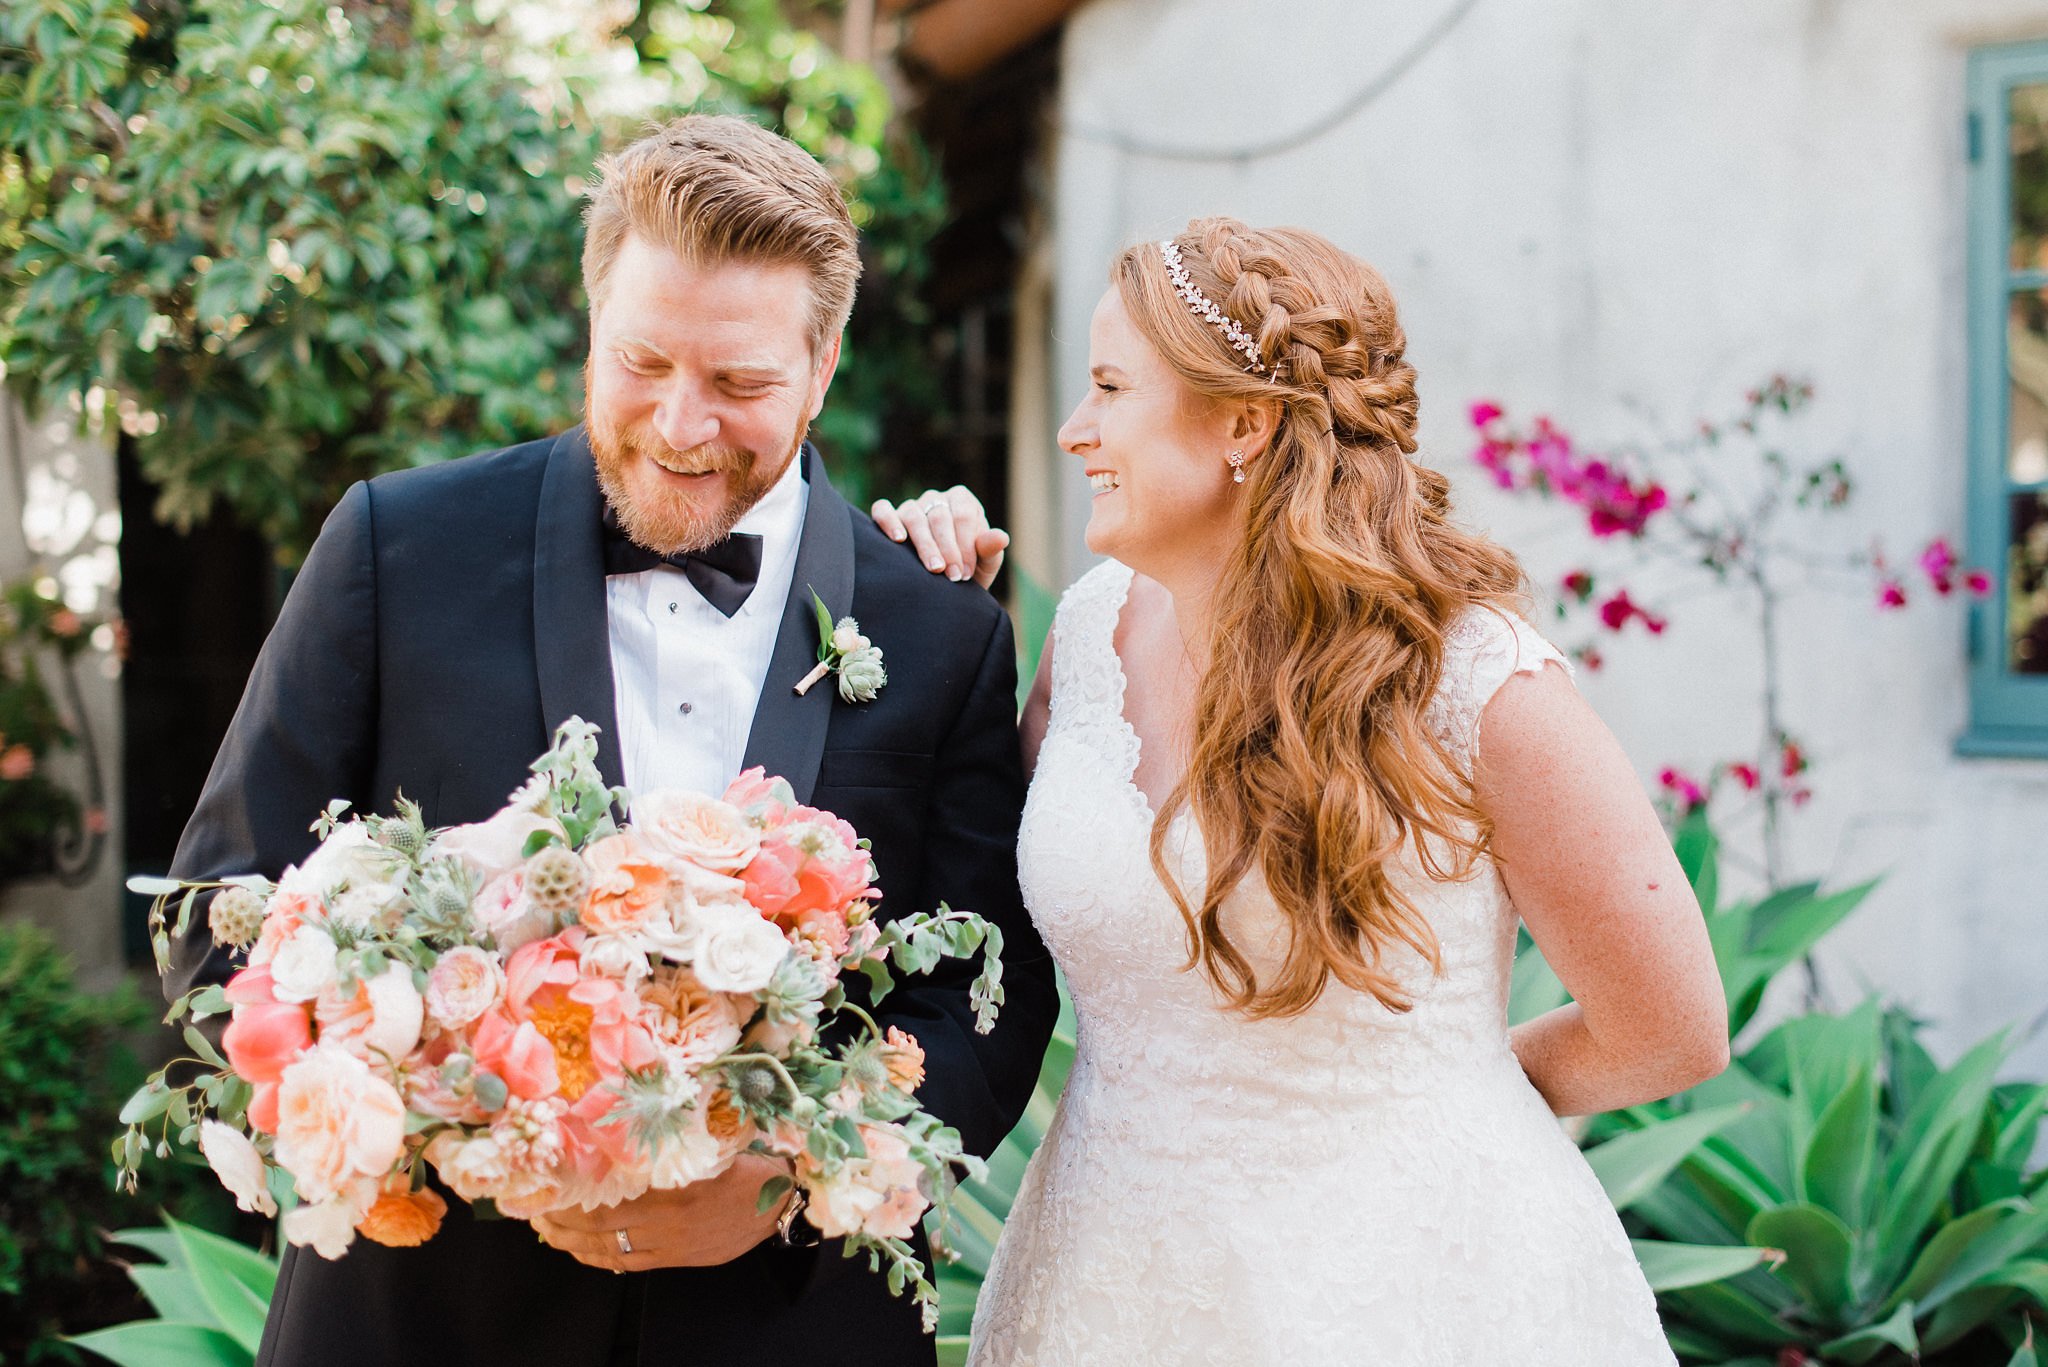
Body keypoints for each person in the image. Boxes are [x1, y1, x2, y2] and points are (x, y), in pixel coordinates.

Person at [165, 114, 1059, 1367]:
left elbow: (984, 1003)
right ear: (592, 325)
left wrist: (790, 1173)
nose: (680, 425)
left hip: (786, 1334)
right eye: (640, 362)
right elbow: (226, 911)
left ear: (823, 365)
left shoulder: (938, 624)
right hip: (424, 1325)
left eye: (740, 384)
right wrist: (459, 1128)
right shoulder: (393, 548)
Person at [872, 218, 1728, 1364]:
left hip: (1416, 1285)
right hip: (1109, 1278)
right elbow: (972, 916)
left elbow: (1669, 1028)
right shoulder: (1083, 635)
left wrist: (1428, 1091)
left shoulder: (1466, 676)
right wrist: (936, 618)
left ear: (1242, 421)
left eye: (1111, 386)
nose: (1076, 430)